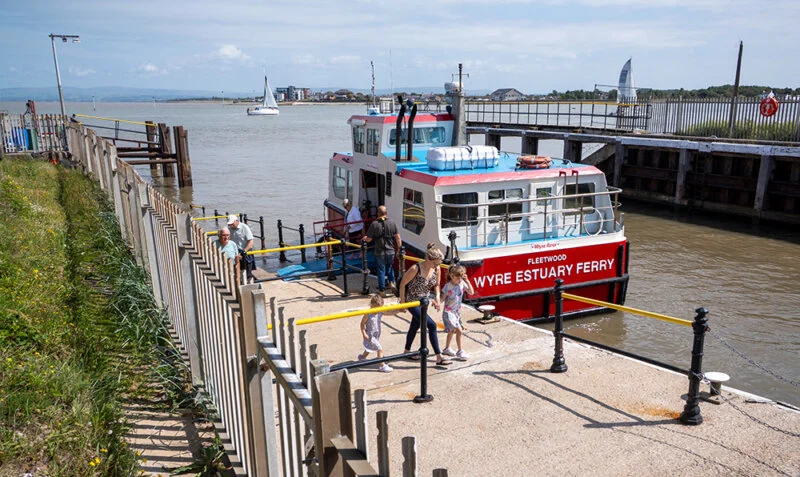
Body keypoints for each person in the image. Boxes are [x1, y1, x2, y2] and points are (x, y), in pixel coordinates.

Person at [398, 244, 451, 366]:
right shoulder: (415, 268)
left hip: (424, 302)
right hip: (412, 301)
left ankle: (406, 351)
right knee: (432, 325)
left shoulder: (436, 269)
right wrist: (402, 303)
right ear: (428, 259)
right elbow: (402, 284)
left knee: (415, 325)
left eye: (439, 263)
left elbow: (437, 285)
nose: (437, 266)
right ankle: (439, 357)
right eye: (435, 263)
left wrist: (437, 298)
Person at [363, 206, 401, 296]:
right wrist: (399, 249)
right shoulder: (392, 223)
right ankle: (392, 283)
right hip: (391, 250)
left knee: (381, 270)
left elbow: (369, 239)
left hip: (379, 252)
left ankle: (382, 290)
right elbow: (398, 238)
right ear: (386, 213)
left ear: (378, 213)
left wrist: (364, 238)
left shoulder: (374, 224)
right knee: (390, 268)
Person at [441, 264, 474, 360]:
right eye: (457, 278)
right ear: (452, 276)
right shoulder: (448, 286)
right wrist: (437, 302)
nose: (459, 280)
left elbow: (471, 292)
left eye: (461, 278)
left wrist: (467, 280)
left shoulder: (461, 283)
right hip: (448, 312)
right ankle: (460, 351)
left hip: (456, 312)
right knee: (459, 330)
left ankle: (447, 348)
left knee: (451, 331)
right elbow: (443, 298)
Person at [357, 294, 393, 373]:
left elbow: (389, 313)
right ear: (372, 305)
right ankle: (382, 366)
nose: (378, 310)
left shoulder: (380, 312)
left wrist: (399, 310)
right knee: (379, 349)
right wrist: (364, 334)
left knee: (369, 348)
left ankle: (362, 357)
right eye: (376, 308)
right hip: (370, 336)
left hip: (376, 335)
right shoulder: (368, 314)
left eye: (380, 308)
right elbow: (362, 324)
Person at [228, 214, 255, 279]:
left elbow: (251, 241)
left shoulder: (244, 227)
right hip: (236, 252)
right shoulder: (229, 229)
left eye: (232, 223)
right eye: (230, 224)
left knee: (248, 272)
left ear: (237, 221)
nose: (231, 225)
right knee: (237, 272)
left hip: (246, 251)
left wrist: (244, 251)